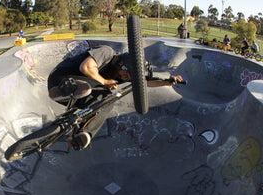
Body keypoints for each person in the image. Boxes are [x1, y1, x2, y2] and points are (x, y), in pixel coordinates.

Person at [48, 45, 185, 150]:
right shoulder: (107, 52)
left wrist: (167, 81)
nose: (124, 78)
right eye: (126, 75)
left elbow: (144, 82)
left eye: (128, 78)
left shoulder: (120, 74)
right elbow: (86, 67)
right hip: (61, 78)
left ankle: (82, 135)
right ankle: (63, 90)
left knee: (108, 100)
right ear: (121, 64)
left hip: (78, 94)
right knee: (105, 92)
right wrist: (105, 82)